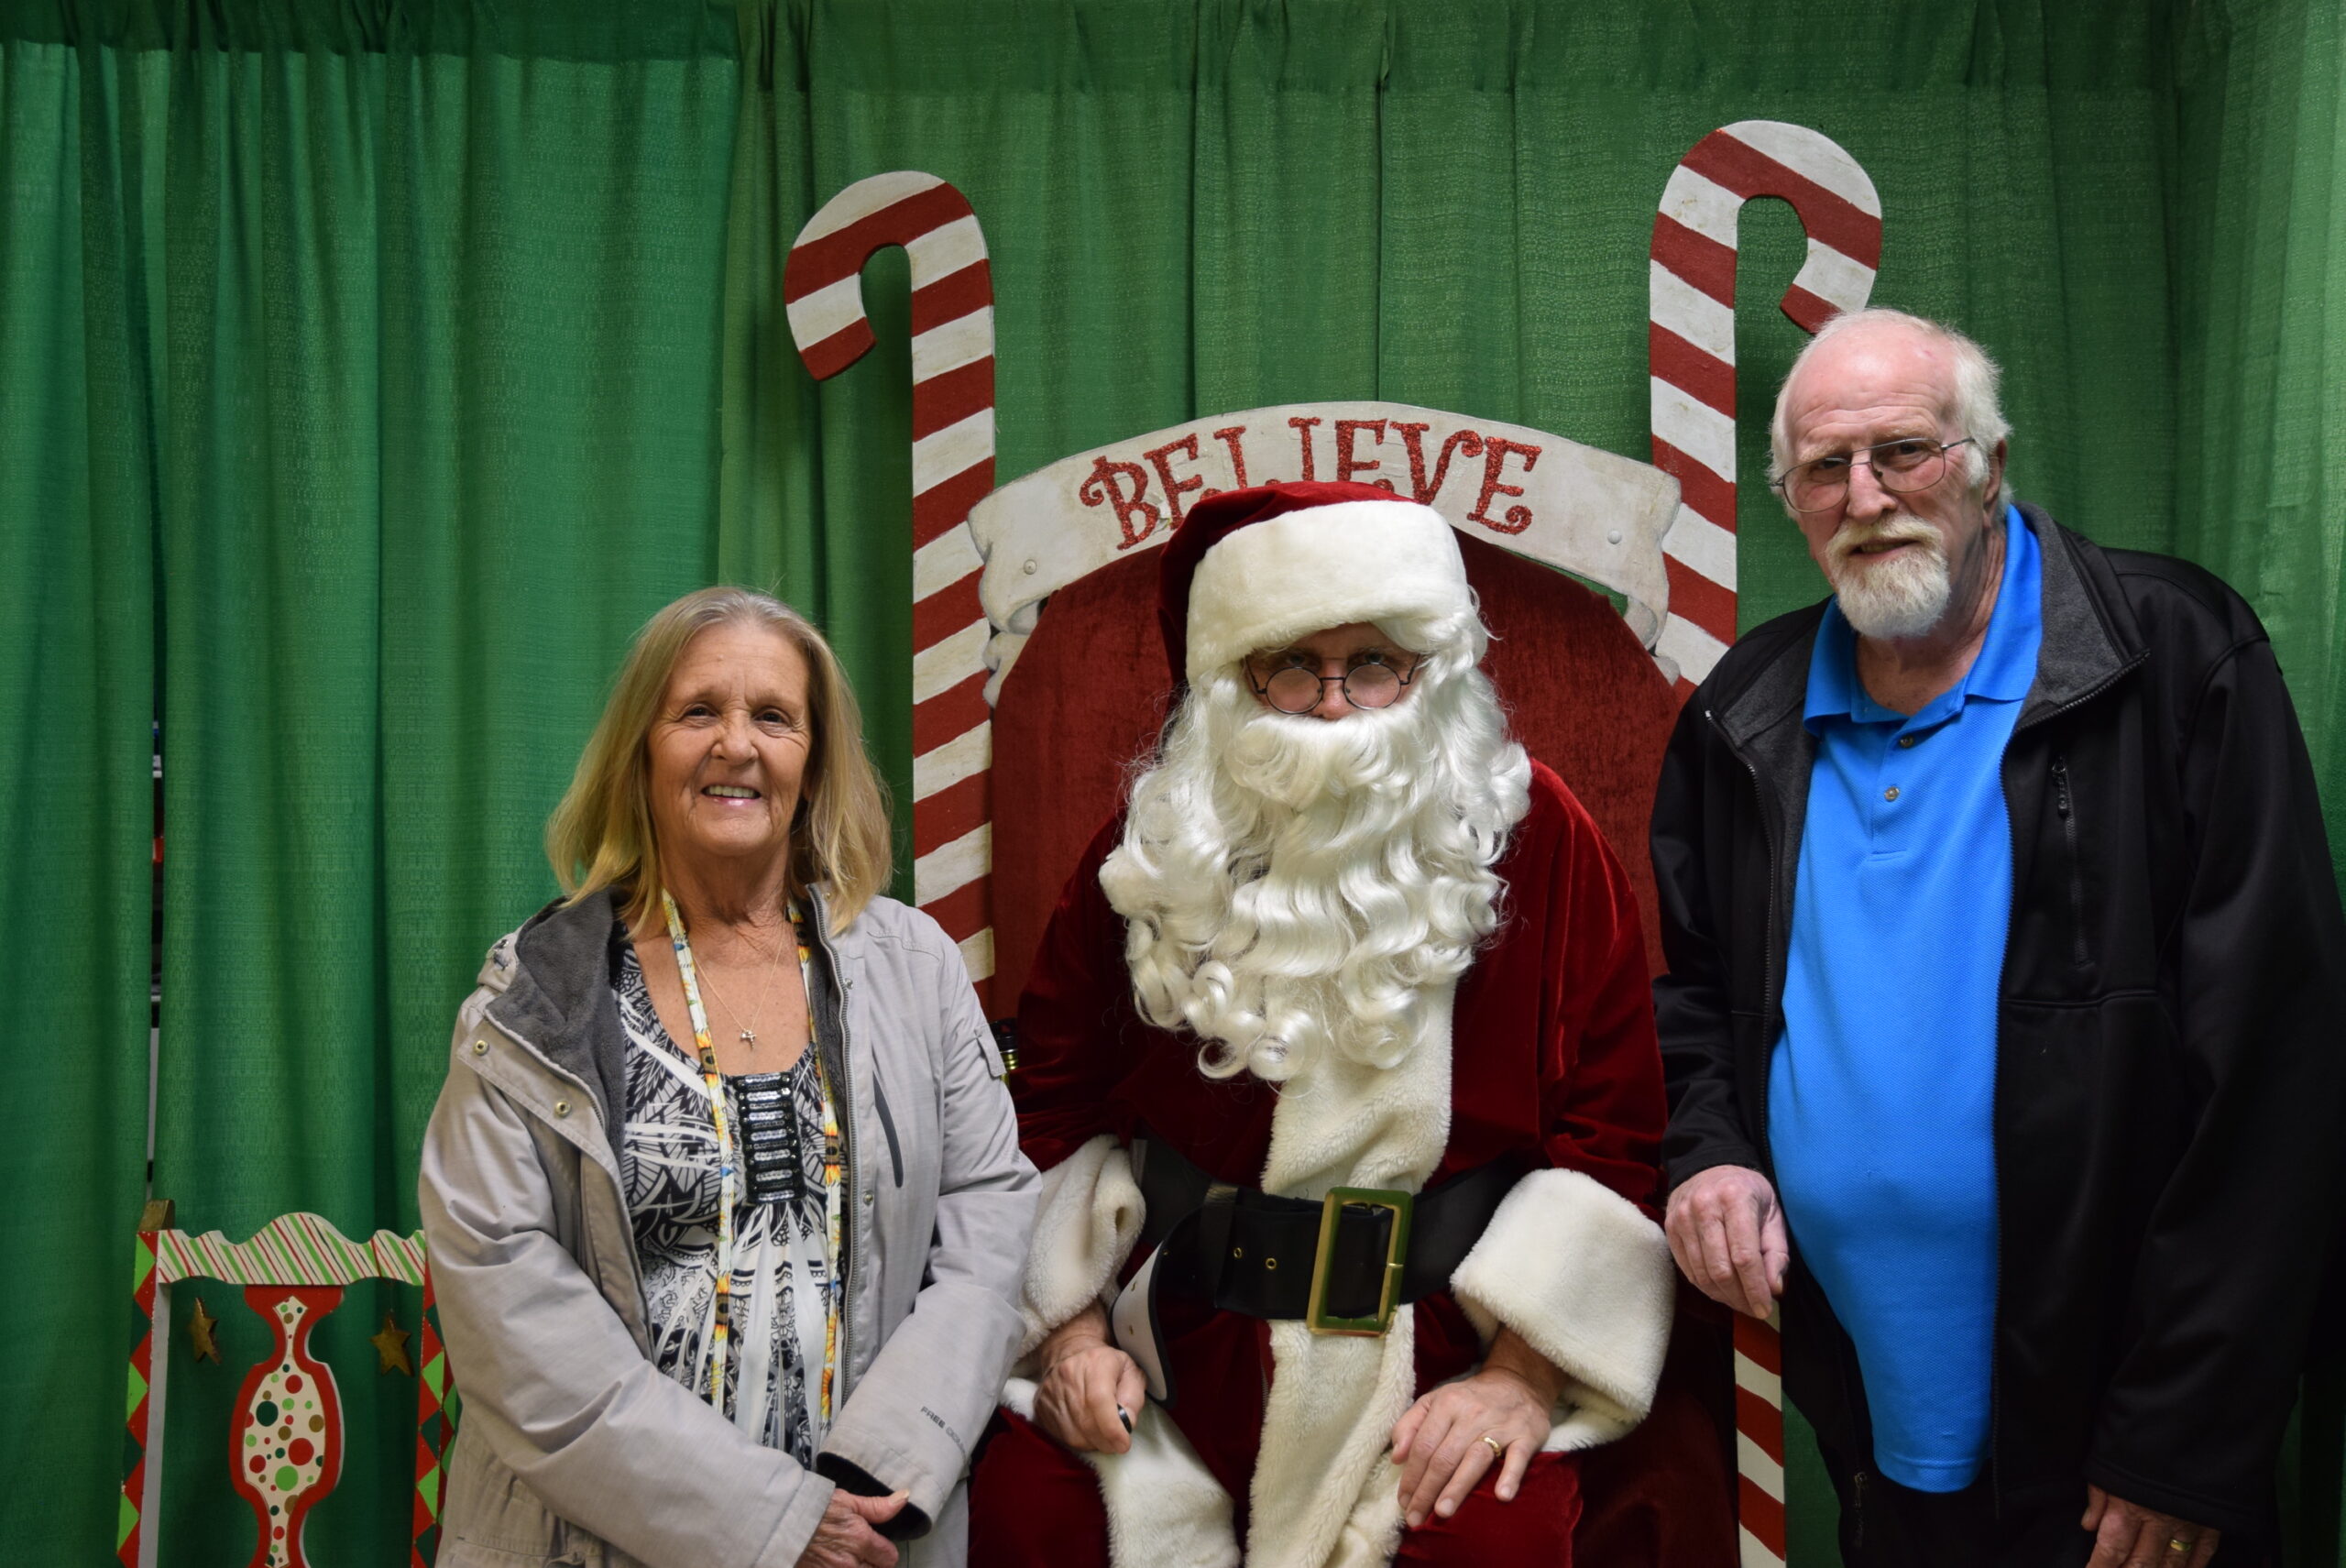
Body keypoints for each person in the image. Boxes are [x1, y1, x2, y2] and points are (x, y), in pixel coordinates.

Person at [1652, 308, 2346, 1567]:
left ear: (1989, 464)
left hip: (2123, 1438)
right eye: (1824, 468)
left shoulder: (2169, 655)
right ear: (1792, 503)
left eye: (1903, 451)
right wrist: (1710, 1150)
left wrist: (2185, 1434)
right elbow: (1693, 991)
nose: (1866, 497)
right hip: (1874, 1414)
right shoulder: (1742, 712)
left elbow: (2278, 1069)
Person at [966, 481, 1681, 1568]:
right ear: (1231, 684)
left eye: (1375, 664)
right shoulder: (1160, 846)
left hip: (1448, 1348)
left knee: (1496, 1544)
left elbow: (1614, 1127)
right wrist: (1070, 1336)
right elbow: (1049, 1105)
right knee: (1034, 1512)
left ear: (1431, 672)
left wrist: (1520, 1376)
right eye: (1294, 665)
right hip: (1178, 1346)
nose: (1337, 707)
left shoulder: (1538, 832)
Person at [420, 587, 1037, 1568]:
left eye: (775, 717)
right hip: (593, 1542)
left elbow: (989, 1216)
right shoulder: (535, 998)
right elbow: (506, 1304)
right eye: (698, 710)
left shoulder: (915, 967)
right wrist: (773, 1525)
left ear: (814, 761)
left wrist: (875, 1481)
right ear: (640, 750)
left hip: (865, 1542)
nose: (736, 744)